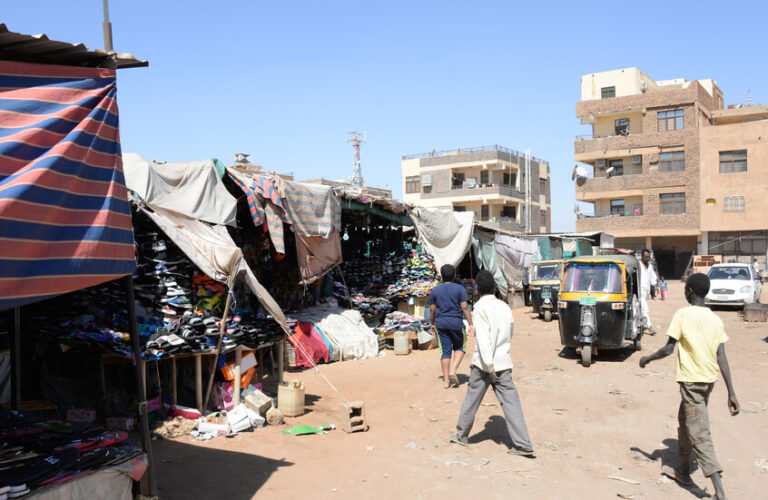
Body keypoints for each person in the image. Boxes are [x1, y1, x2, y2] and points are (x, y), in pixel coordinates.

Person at [639, 273, 739, 500]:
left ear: (690, 291)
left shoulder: (683, 314)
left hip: (692, 384)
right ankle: (683, 471)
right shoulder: (714, 319)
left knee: (700, 433)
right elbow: (721, 356)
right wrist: (731, 392)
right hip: (707, 383)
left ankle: (719, 492)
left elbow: (668, 349)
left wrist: (648, 358)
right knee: (686, 422)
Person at [448, 270, 534, 457]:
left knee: (472, 399)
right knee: (512, 403)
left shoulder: (479, 307)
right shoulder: (504, 306)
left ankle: (461, 434)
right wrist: (500, 353)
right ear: (494, 287)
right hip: (503, 361)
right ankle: (523, 443)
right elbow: (510, 331)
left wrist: (488, 364)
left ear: (477, 288)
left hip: (485, 364)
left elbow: (484, 339)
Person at [428, 264, 476, 389]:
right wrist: (470, 324)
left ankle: (446, 381)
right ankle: (453, 370)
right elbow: (465, 307)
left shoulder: (436, 290)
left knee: (445, 352)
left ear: (442, 276)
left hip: (441, 324)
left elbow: (432, 310)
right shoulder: (459, 289)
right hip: (456, 323)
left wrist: (432, 324)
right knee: (460, 347)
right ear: (454, 276)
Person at [639, 249, 658, 334]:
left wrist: (655, 285)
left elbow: (653, 276)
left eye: (649, 257)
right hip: (640, 291)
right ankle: (649, 327)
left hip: (647, 291)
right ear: (642, 257)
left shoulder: (650, 266)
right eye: (646, 257)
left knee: (641, 309)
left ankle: (641, 325)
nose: (648, 258)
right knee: (644, 309)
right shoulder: (638, 265)